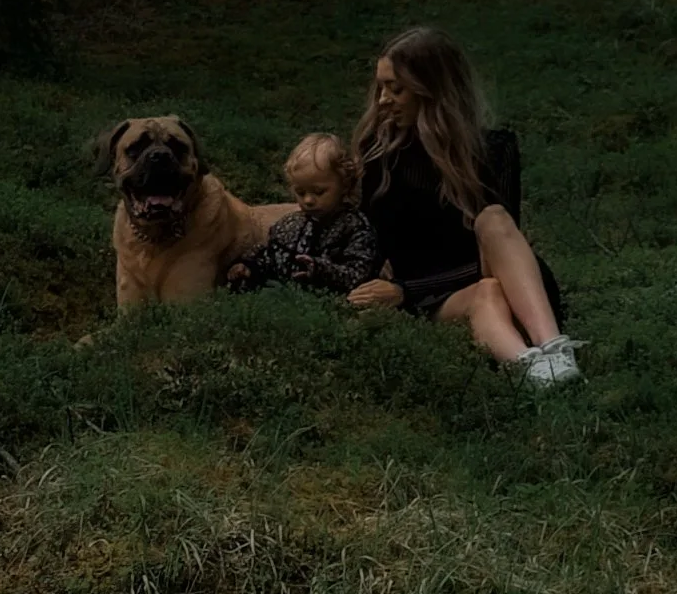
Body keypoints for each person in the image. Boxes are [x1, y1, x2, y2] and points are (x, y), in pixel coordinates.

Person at [347, 27, 583, 386]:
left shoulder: (494, 149)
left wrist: (405, 288)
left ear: (432, 89)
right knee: (486, 293)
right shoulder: (380, 155)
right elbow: (369, 241)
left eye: (396, 89)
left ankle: (554, 348)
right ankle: (532, 372)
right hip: (439, 297)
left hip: (498, 281)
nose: (382, 100)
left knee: (493, 218)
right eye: (381, 87)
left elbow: (500, 252)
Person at [227, 133, 381, 295]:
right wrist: (249, 267)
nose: (308, 200)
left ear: (344, 185)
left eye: (318, 192)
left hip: (327, 303)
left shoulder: (356, 228)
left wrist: (320, 270)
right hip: (285, 297)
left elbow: (359, 273)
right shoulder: (289, 225)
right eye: (300, 192)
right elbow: (269, 255)